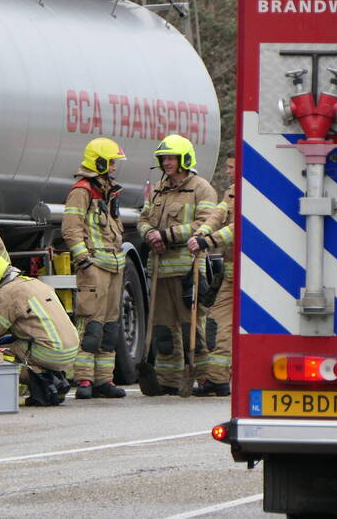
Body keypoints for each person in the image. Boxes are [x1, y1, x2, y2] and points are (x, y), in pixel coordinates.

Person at [137, 134, 222, 397]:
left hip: (189, 270)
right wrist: (150, 234)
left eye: (172, 158)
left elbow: (206, 224)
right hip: (160, 269)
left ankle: (204, 378)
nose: (167, 162)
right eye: (163, 158)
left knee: (191, 328)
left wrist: (168, 236)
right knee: (163, 328)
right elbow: (143, 218)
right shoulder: (159, 189)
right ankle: (168, 379)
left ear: (185, 159)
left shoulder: (201, 188)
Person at [0, 254, 78, 404]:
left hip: (50, 351)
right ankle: (54, 382)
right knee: (15, 345)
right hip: (70, 349)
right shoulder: (35, 283)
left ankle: (44, 380)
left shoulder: (7, 294)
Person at [62, 137, 128, 400]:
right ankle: (84, 379)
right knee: (91, 324)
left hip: (113, 265)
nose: (114, 167)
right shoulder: (82, 190)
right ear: (99, 162)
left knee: (110, 326)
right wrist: (84, 260)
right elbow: (71, 228)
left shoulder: (109, 190)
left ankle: (104, 380)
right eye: (111, 162)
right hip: (94, 267)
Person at [188, 156, 235, 397]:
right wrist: (201, 233)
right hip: (230, 277)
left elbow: (238, 227)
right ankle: (217, 379)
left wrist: (208, 241)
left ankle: (220, 378)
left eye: (231, 167)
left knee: (226, 327)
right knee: (217, 323)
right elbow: (218, 216)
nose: (227, 171)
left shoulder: (253, 190)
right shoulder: (232, 191)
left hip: (249, 280)